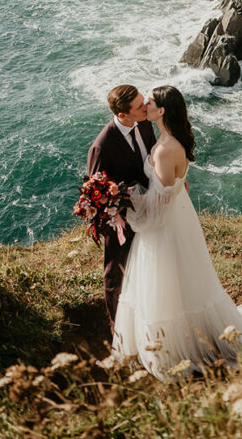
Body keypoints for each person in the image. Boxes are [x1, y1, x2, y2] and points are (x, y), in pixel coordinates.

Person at [113, 84, 242, 380]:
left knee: (167, 279)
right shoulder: (169, 139)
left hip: (167, 224)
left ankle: (178, 347)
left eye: (150, 102)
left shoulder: (167, 149)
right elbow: (173, 186)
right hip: (180, 215)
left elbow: (161, 201)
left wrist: (127, 203)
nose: (146, 106)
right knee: (181, 278)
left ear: (162, 110)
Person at [87, 84, 155, 332]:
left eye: (143, 100)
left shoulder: (145, 123)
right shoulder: (102, 146)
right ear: (123, 115)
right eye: (139, 105)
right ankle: (118, 328)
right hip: (121, 220)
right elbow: (96, 193)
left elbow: (152, 160)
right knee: (116, 271)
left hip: (149, 209)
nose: (146, 106)